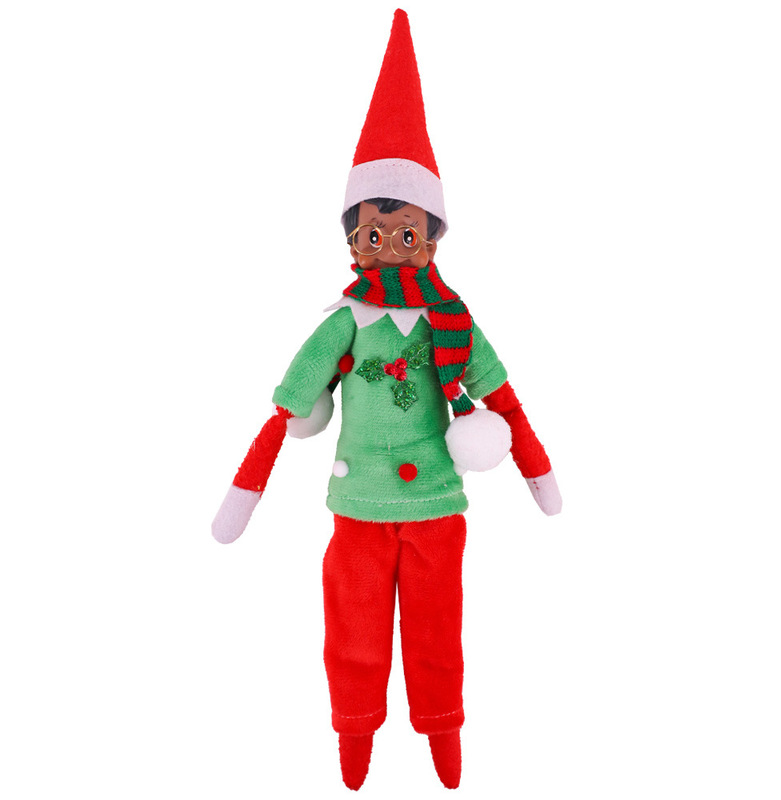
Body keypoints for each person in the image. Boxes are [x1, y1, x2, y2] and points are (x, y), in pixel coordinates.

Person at [212, 10, 561, 791]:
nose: (390, 246)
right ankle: (355, 736)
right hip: (358, 508)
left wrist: (537, 470)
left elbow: (502, 398)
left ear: (432, 238)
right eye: (374, 233)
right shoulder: (345, 321)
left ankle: (443, 733)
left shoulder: (450, 318)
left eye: (406, 234)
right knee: (354, 634)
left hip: (436, 503)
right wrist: (246, 489)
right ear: (352, 240)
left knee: (437, 634)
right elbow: (287, 407)